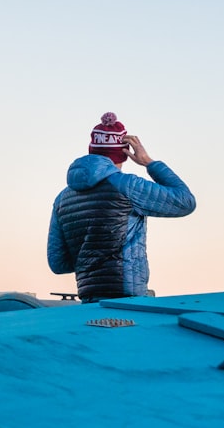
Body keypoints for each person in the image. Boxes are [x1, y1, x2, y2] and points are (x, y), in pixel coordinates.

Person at [47, 112, 196, 302]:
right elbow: (185, 202)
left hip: (89, 298)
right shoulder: (127, 186)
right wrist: (149, 163)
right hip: (128, 297)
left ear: (92, 150)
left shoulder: (62, 198)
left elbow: (58, 264)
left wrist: (90, 258)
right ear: (124, 153)